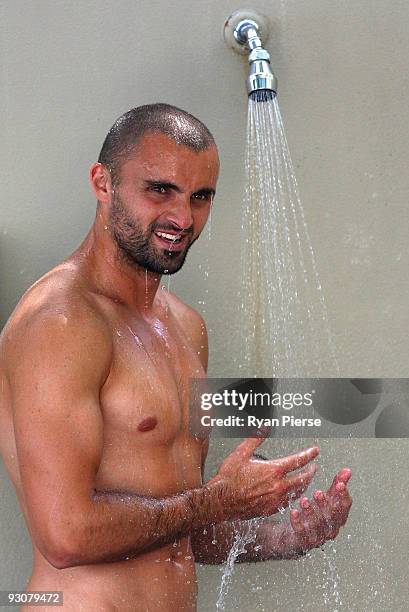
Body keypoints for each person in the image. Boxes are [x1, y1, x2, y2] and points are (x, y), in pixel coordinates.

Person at [0, 103, 352, 611]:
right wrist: (216, 501)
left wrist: (287, 538)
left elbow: (176, 525)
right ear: (103, 183)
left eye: (201, 197)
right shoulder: (61, 324)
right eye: (159, 190)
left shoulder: (186, 327)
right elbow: (66, 536)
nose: (182, 218)